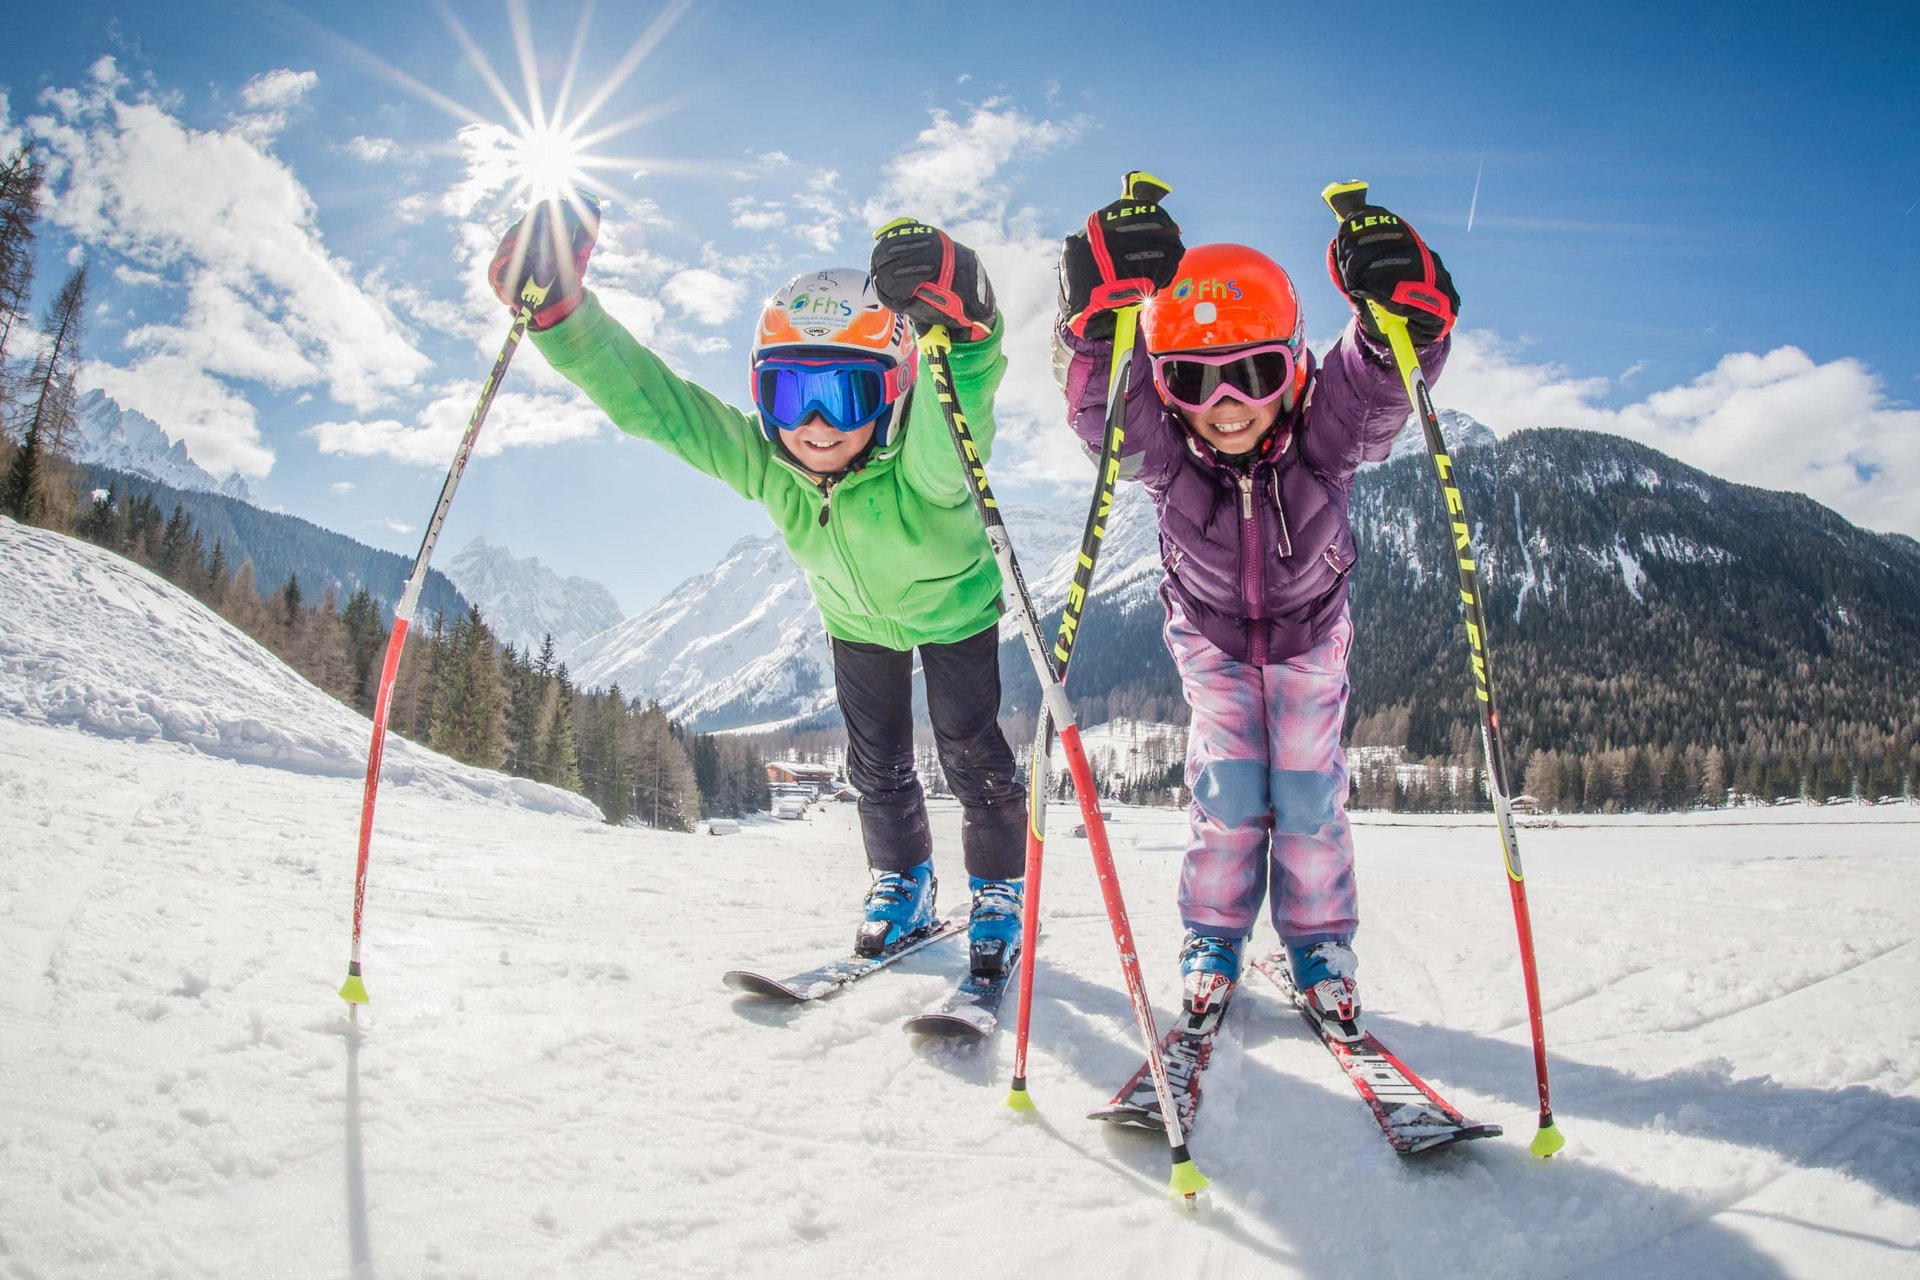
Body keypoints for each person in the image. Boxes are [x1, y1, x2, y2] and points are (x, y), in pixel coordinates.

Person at [488, 198, 1026, 976]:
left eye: (842, 394)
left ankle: (998, 892)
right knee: (875, 763)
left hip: (954, 613)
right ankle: (903, 880)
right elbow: (660, 409)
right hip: (857, 622)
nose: (812, 424)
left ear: (897, 388)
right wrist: (566, 321)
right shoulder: (770, 466)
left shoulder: (927, 467)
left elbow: (960, 411)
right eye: (787, 394)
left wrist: (969, 332)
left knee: (972, 753)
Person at [1052, 179, 1458, 1041]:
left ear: (1296, 367)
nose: (1227, 404)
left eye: (1255, 373)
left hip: (1311, 637)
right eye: (1194, 380)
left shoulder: (1324, 433)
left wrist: (1405, 323)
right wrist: (1094, 322)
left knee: (1309, 794)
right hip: (1211, 640)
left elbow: (1377, 391)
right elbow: (1103, 416)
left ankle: (1319, 946)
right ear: (1166, 387)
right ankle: (1212, 940)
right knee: (1230, 792)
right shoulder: (1166, 449)